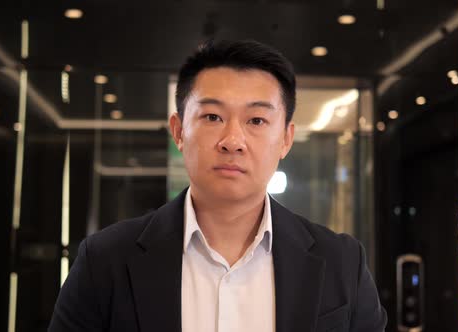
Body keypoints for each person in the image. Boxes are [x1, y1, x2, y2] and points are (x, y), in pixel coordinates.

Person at [48, 39, 387, 332]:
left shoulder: (342, 262)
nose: (233, 141)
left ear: (286, 139)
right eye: (212, 117)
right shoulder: (105, 261)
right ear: (179, 131)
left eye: (256, 120)